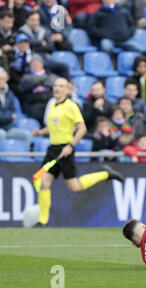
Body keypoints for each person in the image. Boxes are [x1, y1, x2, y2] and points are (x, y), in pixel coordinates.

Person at [32, 78, 124, 227]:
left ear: (67, 90)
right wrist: (40, 132)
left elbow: (82, 128)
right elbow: (53, 126)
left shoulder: (71, 106)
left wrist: (70, 145)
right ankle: (43, 221)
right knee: (44, 182)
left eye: (61, 86)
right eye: (55, 85)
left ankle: (106, 174)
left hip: (65, 149)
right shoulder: (53, 105)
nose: (57, 88)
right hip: (53, 149)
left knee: (74, 186)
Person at [0, 67, 32, 148]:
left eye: (2, 78)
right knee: (1, 134)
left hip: (8, 128)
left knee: (27, 135)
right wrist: (9, 117)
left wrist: (6, 116)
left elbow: (12, 110)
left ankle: (24, 159)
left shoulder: (10, 93)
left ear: (6, 79)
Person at [18, 54, 58, 123]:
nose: (35, 65)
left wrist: (37, 82)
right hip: (35, 103)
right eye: (33, 63)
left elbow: (56, 83)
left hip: (49, 101)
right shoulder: (26, 76)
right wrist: (44, 80)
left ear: (42, 64)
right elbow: (24, 85)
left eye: (37, 62)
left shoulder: (50, 74)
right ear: (30, 66)